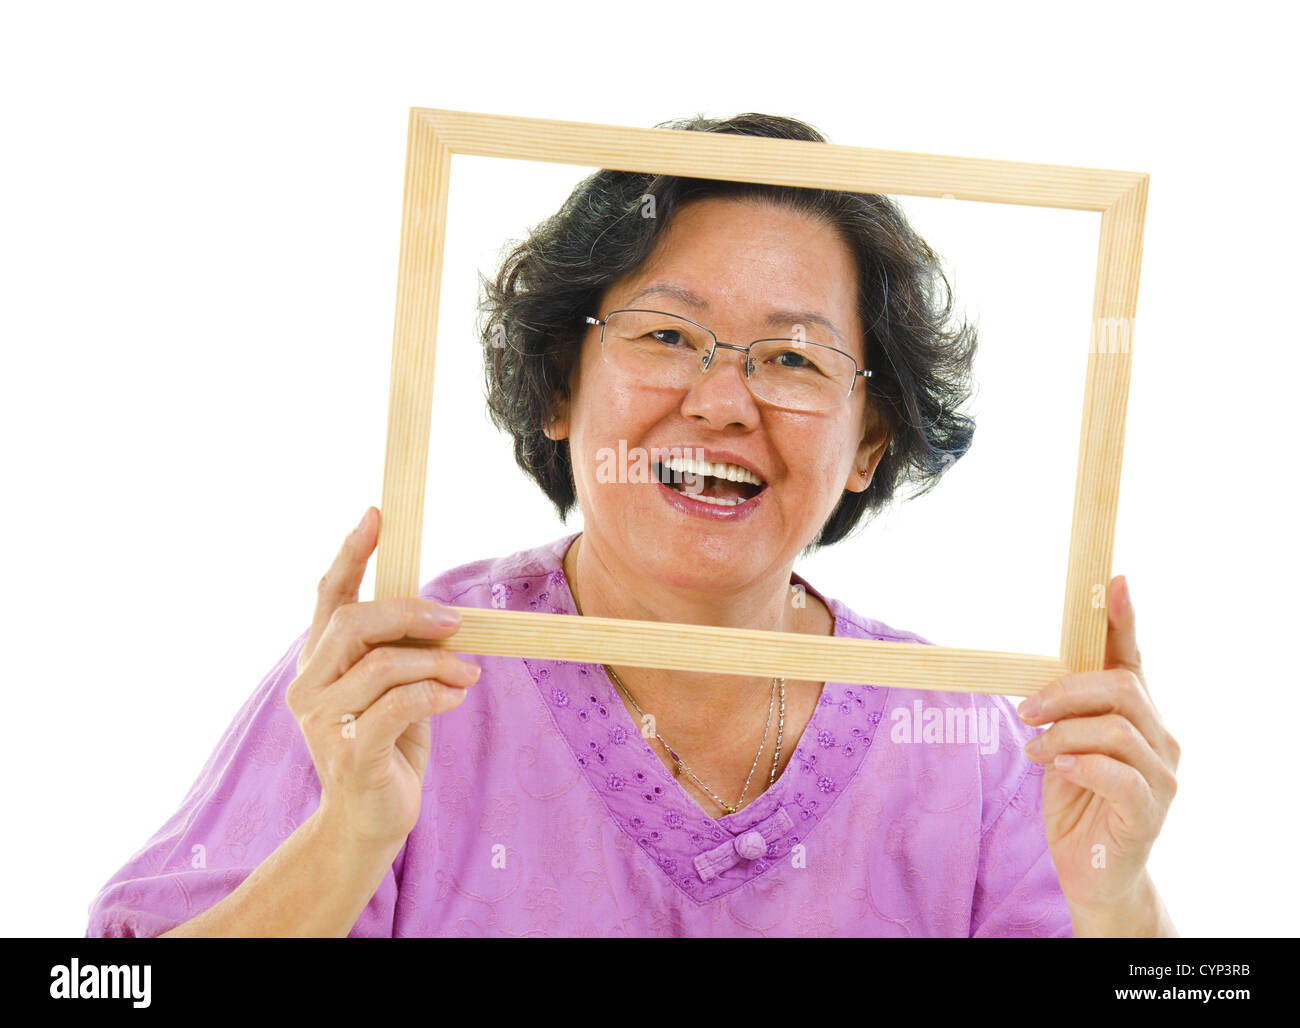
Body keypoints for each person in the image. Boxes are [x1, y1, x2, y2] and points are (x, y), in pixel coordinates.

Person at [85, 112, 1179, 937]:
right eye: (666, 336)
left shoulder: (970, 745)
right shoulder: (394, 682)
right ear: (560, 387)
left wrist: (1123, 901)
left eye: (794, 358)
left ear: (868, 445)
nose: (720, 400)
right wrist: (345, 839)